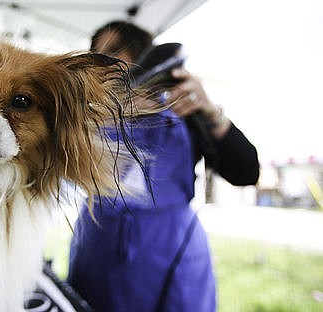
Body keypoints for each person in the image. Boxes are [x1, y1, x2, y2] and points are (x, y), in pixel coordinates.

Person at [67, 21, 259, 312]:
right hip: (98, 248)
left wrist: (210, 112)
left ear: (147, 56)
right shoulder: (87, 117)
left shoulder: (184, 110)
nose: (103, 62)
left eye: (114, 52)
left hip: (172, 253)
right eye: (96, 54)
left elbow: (246, 172)